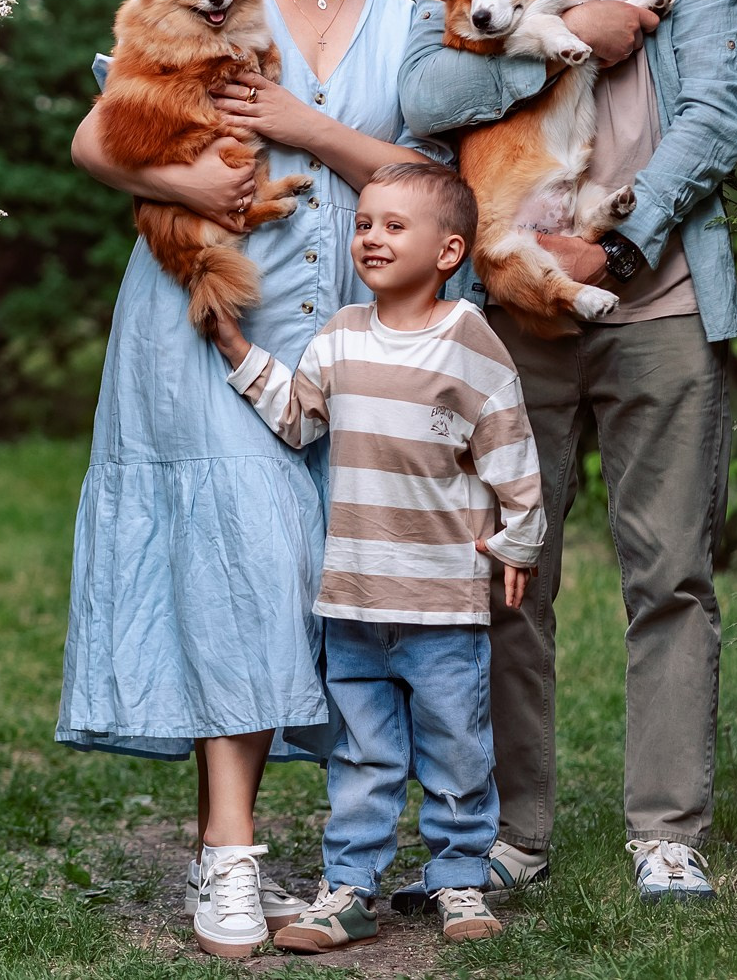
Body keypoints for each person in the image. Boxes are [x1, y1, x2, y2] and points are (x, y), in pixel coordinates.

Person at [58, 0, 438, 959]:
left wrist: (299, 127)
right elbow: (95, 136)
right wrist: (188, 182)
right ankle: (228, 857)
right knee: (243, 565)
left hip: (342, 345)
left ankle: (327, 847)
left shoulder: (405, 21)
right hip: (204, 323)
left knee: (306, 591)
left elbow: (431, 181)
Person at [397, 0, 737, 904]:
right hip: (511, 311)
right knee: (508, 575)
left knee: (671, 576)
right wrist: (558, 36)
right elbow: (419, 99)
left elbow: (717, 107)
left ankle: (667, 832)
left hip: (656, 298)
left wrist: (624, 243)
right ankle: (510, 835)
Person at [207, 161, 543, 949]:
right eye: (363, 224)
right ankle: (348, 888)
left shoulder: (468, 338)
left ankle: (458, 879)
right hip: (353, 599)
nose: (370, 237)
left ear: (448, 251)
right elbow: (299, 418)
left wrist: (519, 536)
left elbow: (508, 439)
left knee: (457, 749)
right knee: (360, 756)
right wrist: (237, 348)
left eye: (394, 225)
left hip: (441, 602)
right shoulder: (339, 335)